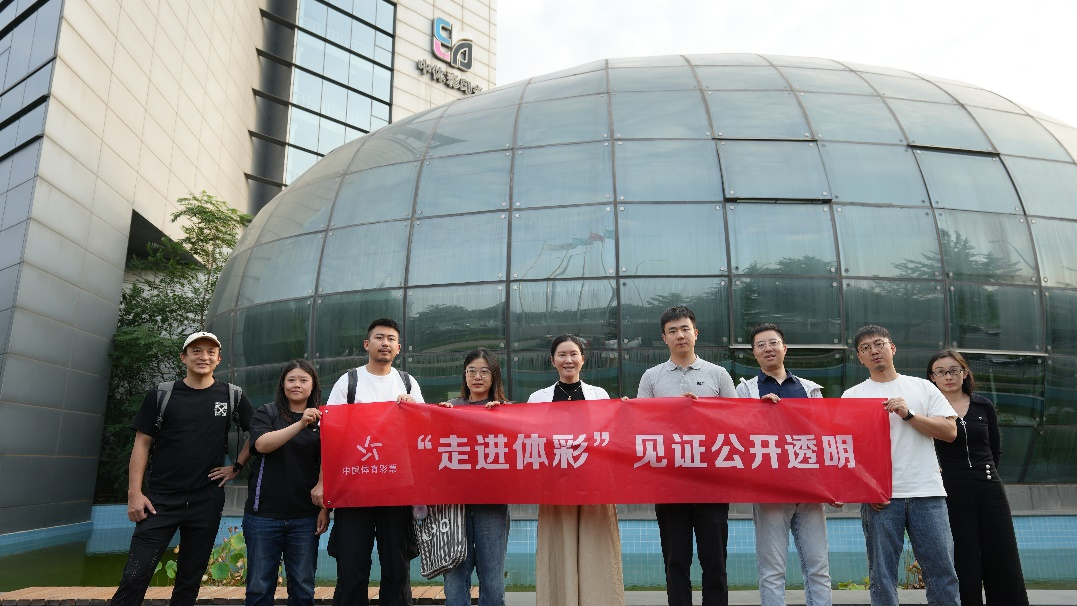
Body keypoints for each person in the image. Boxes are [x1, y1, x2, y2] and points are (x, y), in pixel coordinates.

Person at [111, 331, 254, 606]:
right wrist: (134, 494)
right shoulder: (162, 394)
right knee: (134, 575)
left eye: (211, 352)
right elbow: (142, 443)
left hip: (206, 500)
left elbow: (257, 432)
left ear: (218, 359)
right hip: (160, 500)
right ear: (184, 357)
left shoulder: (231, 395)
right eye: (196, 351)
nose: (204, 357)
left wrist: (236, 466)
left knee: (190, 580)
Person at [842, 325, 961, 606]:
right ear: (859, 357)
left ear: (892, 348)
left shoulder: (922, 387)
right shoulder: (852, 396)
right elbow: (848, 448)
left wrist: (909, 414)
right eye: (865, 348)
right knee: (882, 576)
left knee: (942, 571)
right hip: (881, 498)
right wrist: (867, 489)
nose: (873, 351)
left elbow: (949, 431)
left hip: (927, 493)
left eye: (879, 344)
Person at [636, 306, 737, 606]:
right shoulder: (651, 377)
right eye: (672, 331)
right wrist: (671, 411)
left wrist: (703, 411)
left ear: (696, 333)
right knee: (676, 560)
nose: (680, 335)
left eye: (684, 329)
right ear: (664, 338)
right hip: (669, 482)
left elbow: (735, 422)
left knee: (715, 560)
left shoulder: (718, 374)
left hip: (711, 481)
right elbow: (641, 425)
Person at [322, 318, 424, 606]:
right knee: (351, 565)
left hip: (396, 488)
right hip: (354, 488)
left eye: (391, 339)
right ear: (367, 344)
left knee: (397, 565)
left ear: (399, 348)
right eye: (379, 338)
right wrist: (324, 483)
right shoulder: (349, 381)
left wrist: (413, 410)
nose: (385, 343)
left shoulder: (407, 383)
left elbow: (422, 430)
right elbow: (331, 434)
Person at [735, 323, 832, 606]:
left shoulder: (810, 389)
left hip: (810, 489)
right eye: (761, 345)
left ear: (784, 348)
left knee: (818, 568)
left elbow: (825, 436)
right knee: (772, 571)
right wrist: (757, 413)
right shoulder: (746, 391)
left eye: (773, 342)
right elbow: (736, 435)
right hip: (770, 491)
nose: (768, 348)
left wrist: (832, 484)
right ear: (754, 353)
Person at [527, 334, 625, 606]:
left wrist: (625, 411)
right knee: (559, 551)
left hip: (595, 487)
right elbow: (529, 439)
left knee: (598, 550)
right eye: (562, 355)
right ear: (553, 361)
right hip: (555, 488)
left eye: (573, 354)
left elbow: (612, 437)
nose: (568, 360)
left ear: (583, 359)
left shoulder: (600, 395)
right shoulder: (538, 398)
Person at [927, 349, 1029, 606]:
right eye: (941, 372)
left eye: (954, 370)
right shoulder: (928, 410)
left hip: (989, 486)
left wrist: (986, 475)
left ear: (964, 373)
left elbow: (995, 449)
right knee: (963, 555)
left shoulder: (983, 405)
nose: (948, 376)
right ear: (932, 377)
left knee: (1002, 552)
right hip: (952, 489)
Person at [243, 360, 331, 606]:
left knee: (303, 586)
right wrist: (301, 423)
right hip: (263, 515)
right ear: (282, 384)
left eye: (303, 380)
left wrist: (325, 508)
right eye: (291, 380)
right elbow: (261, 445)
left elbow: (330, 462)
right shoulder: (267, 413)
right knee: (259, 587)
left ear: (313, 385)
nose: (296, 385)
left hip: (305, 516)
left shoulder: (324, 418)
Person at [435, 348, 511, 606]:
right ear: (464, 375)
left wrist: (503, 417)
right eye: (472, 371)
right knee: (455, 578)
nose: (477, 377)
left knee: (492, 580)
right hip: (454, 506)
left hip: (492, 505)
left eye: (484, 371)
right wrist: (437, 418)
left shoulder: (507, 411)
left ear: (494, 375)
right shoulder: (449, 408)